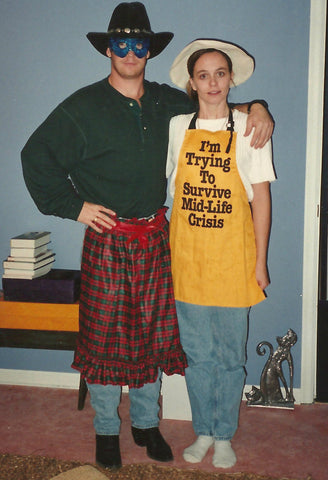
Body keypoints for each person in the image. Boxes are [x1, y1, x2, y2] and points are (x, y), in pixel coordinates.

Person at [21, 2, 274, 470]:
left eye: (140, 42)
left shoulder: (168, 102)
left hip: (158, 237)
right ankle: (105, 430)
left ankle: (145, 423)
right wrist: (75, 207)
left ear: (150, 50)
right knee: (102, 341)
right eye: (122, 42)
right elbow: (34, 156)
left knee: (152, 339)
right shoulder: (82, 106)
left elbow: (217, 106)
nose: (131, 51)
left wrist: (259, 108)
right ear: (109, 48)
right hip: (108, 237)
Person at [166, 39, 276, 469]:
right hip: (187, 260)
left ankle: (225, 435)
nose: (212, 82)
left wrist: (261, 262)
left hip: (234, 259)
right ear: (192, 83)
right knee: (197, 356)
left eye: (220, 73)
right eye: (203, 75)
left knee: (230, 357)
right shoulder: (177, 126)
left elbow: (261, 200)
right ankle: (204, 430)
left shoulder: (252, 127)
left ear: (231, 79)